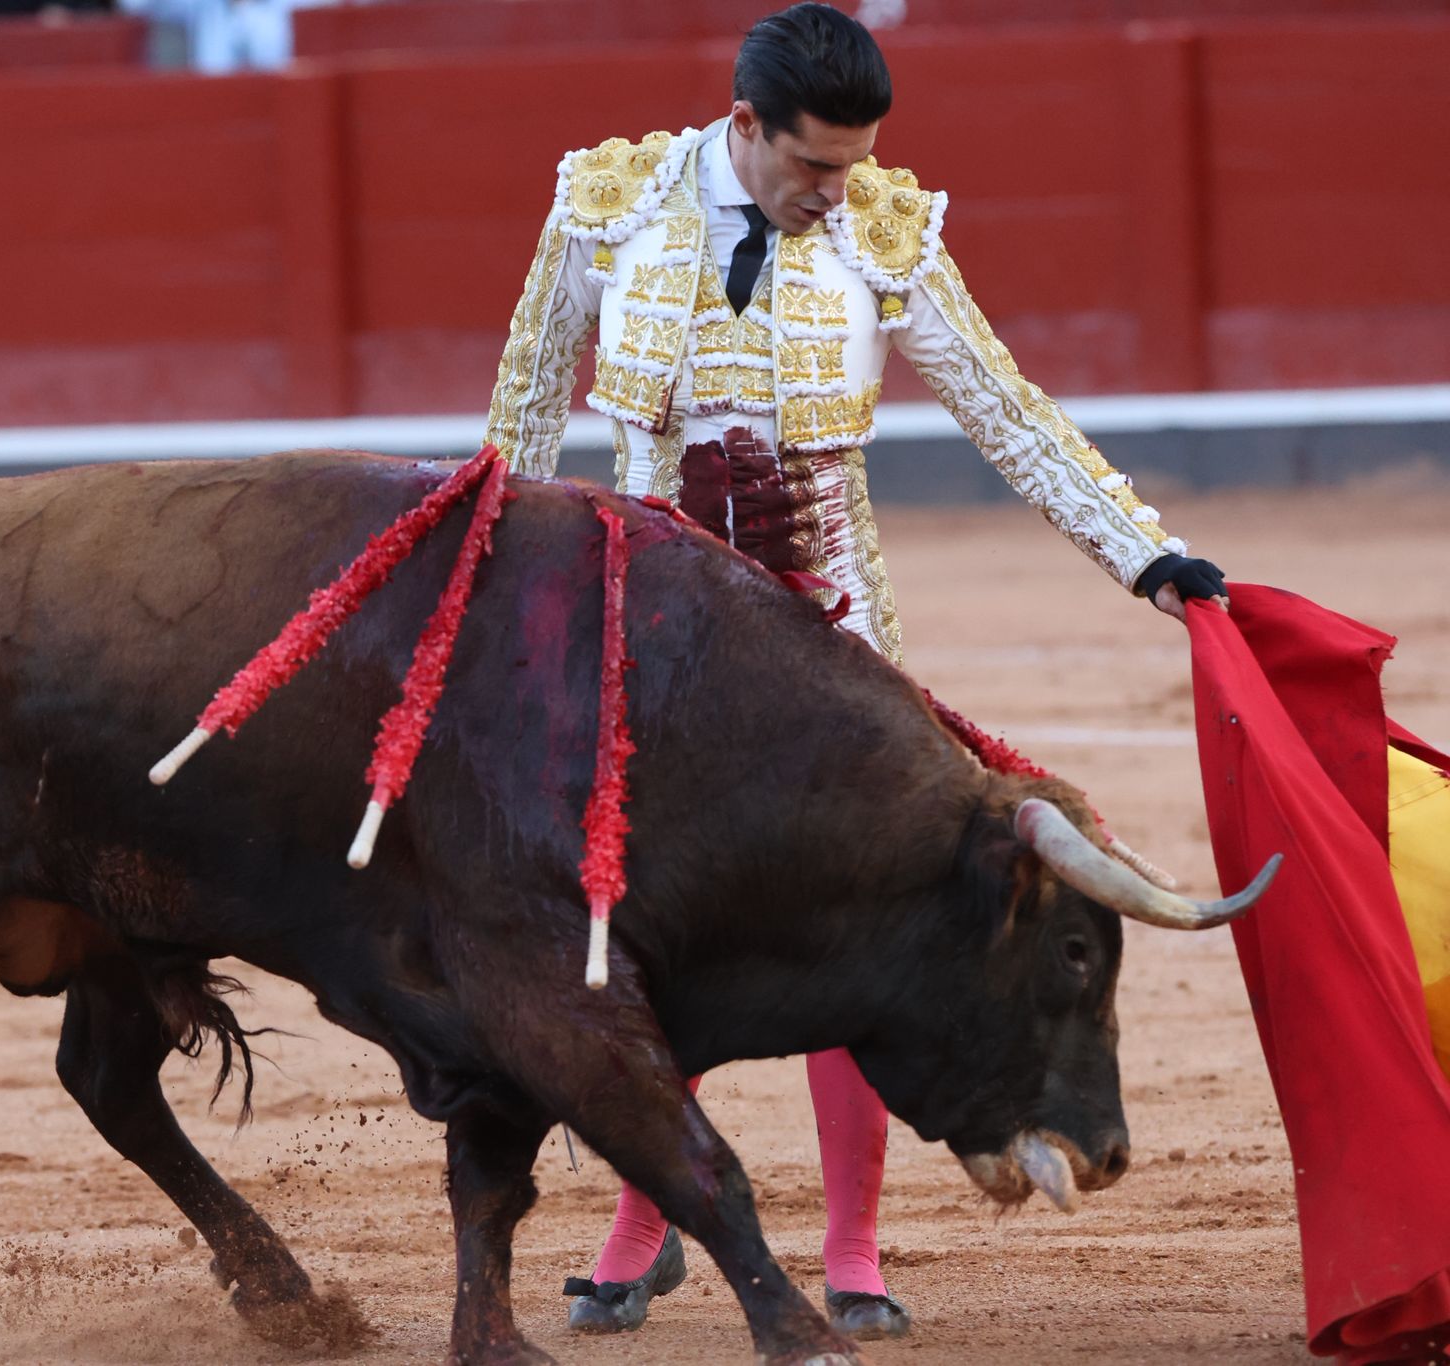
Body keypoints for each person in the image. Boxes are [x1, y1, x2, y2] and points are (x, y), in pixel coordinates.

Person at [483, 1, 1230, 1343]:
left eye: (856, 162)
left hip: (837, 656)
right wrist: (500, 624)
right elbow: (525, 423)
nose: (839, 191)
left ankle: (853, 1241)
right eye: (814, 165)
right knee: (647, 933)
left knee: (868, 925)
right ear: (744, 127)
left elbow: (1010, 413)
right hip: (652, 648)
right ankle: (644, 1225)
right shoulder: (610, 206)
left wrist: (1150, 555)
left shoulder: (886, 231)